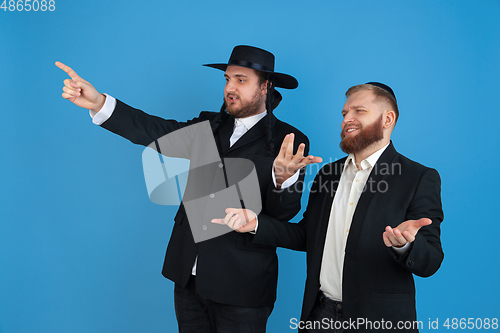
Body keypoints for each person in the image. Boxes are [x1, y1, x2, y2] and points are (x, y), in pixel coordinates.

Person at [56, 45, 319, 333]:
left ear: (265, 87)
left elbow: (283, 215)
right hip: (188, 276)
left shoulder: (288, 139)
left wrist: (283, 179)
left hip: (242, 284)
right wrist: (99, 103)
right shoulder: (209, 124)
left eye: (241, 80)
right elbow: (156, 132)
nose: (230, 87)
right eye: (227, 79)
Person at [213, 82, 444, 332]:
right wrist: (256, 223)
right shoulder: (328, 175)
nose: (348, 119)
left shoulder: (418, 177)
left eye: (359, 111)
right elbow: (307, 236)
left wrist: (405, 245)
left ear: (388, 118)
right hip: (320, 316)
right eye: (345, 114)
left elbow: (430, 261)